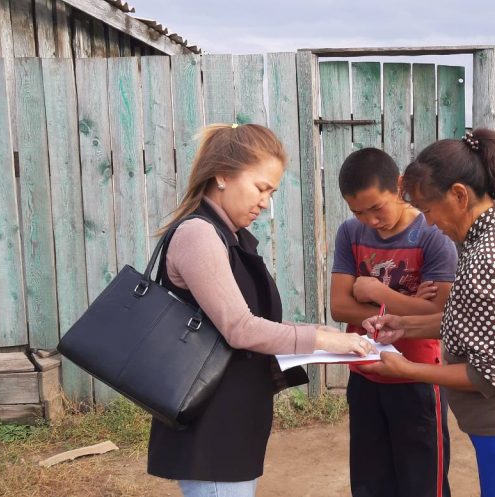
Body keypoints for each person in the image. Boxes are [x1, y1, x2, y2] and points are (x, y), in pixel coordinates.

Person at [146, 123, 375, 497]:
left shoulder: (228, 236)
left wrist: (322, 334)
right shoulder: (199, 234)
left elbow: (253, 321)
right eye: (260, 187)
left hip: (229, 421)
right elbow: (240, 328)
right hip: (212, 432)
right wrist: (320, 339)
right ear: (223, 175)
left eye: (271, 192)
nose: (266, 202)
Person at [359, 129, 495, 497]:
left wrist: (408, 369)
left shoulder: (487, 260)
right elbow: (481, 322)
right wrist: (404, 325)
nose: (429, 222)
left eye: (428, 209)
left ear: (459, 195)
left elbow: (490, 374)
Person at [330, 147, 458, 497]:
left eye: (376, 208)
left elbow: (440, 315)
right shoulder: (350, 233)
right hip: (364, 371)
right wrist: (411, 303)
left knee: (422, 482)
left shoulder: (432, 234)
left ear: (399, 186)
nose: (370, 220)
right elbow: (339, 307)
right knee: (370, 483)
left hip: (418, 376)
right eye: (358, 212)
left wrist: (375, 292)